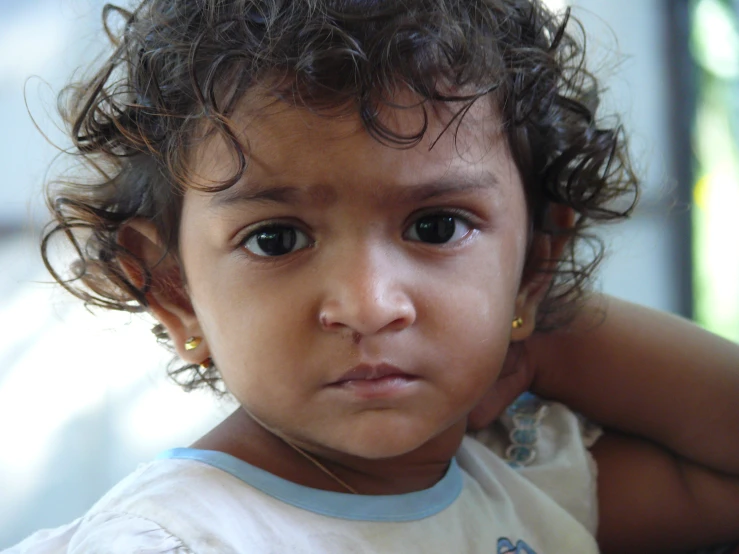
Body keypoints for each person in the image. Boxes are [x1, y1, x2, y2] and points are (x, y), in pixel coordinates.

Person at [5, 0, 739, 552]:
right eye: (276, 238)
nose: (367, 305)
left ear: (534, 257)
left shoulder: (525, 483)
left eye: (436, 227)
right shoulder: (174, 539)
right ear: (172, 289)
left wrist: (536, 333)